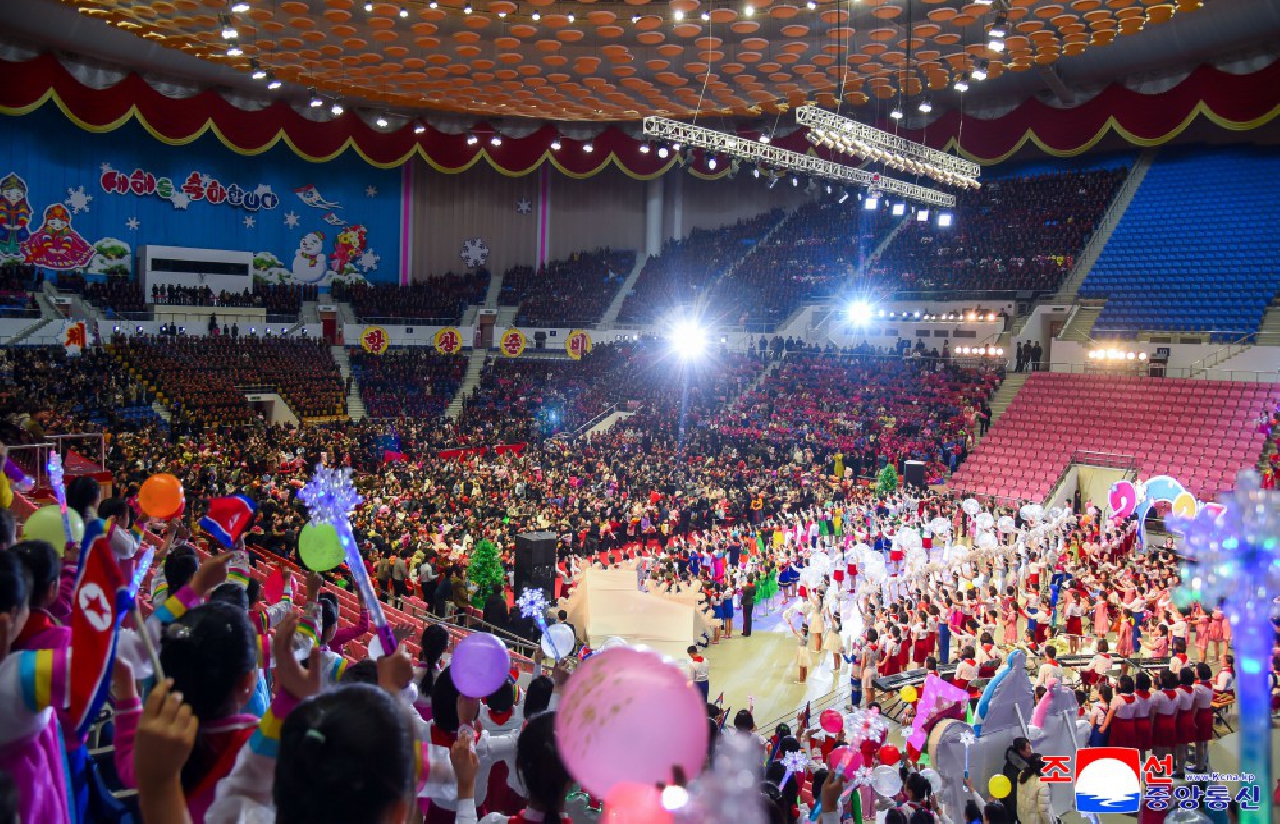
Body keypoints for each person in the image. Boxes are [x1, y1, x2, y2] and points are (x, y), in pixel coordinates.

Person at [1015, 755, 1052, 824]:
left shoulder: (1022, 775)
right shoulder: (1042, 783)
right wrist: (1049, 822)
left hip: (1022, 817)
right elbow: (1043, 810)